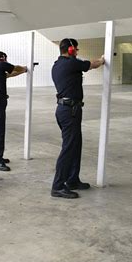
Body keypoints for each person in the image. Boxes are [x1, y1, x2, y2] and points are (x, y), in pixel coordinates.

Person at [51, 38, 104, 199]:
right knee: (68, 148)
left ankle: (72, 180)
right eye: (76, 49)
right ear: (71, 49)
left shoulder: (57, 65)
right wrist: (102, 59)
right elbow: (92, 65)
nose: (78, 52)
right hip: (70, 111)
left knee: (75, 145)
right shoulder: (70, 63)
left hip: (66, 110)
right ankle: (58, 186)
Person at [0, 51, 27, 170]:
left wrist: (23, 72)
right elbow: (15, 68)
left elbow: (11, 74)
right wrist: (25, 68)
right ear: (2, 59)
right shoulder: (0, 64)